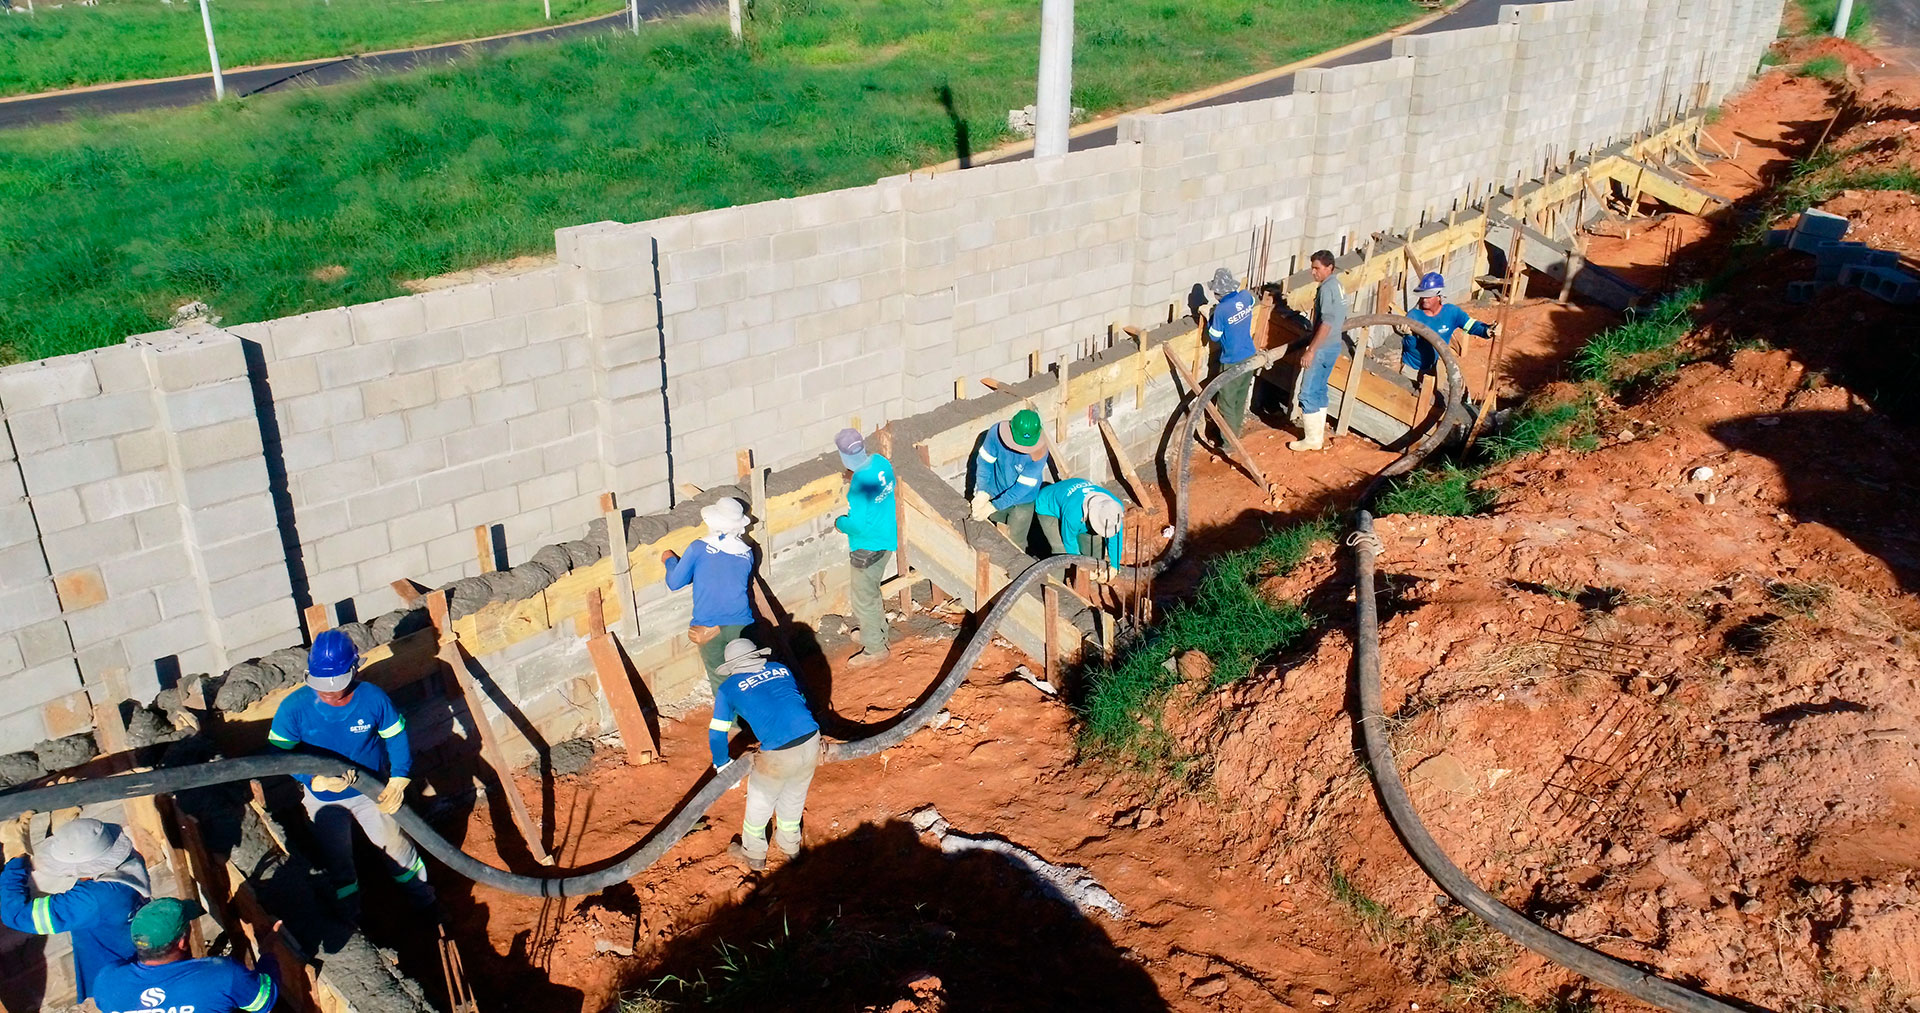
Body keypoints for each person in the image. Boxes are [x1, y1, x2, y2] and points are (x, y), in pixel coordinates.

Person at [268, 629, 433, 918]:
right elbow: (280, 753)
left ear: (354, 670)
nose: (330, 693)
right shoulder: (294, 708)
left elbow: (395, 736)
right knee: (338, 860)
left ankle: (426, 902)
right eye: (322, 686)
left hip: (371, 791)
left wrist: (399, 779)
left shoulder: (372, 699)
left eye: (337, 685)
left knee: (396, 849)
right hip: (324, 798)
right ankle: (351, 918)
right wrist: (312, 780)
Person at [0, 816, 150, 1003]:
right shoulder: (129, 863)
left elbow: (16, 915)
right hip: (136, 969)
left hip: (114, 986)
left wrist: (14, 861)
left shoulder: (93, 900)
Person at [708, 638, 821, 872]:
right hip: (812, 739)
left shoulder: (728, 688)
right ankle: (791, 847)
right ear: (757, 655)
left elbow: (717, 733)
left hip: (778, 753)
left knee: (760, 800)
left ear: (732, 667)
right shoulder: (780, 668)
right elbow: (799, 700)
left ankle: (754, 853)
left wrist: (722, 764)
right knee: (795, 793)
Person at [91, 897, 277, 1013]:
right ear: (182, 942)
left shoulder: (106, 982)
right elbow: (263, 1003)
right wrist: (268, 952)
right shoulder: (222, 975)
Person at [662, 497, 757, 690]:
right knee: (750, 679)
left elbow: (675, 582)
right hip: (740, 624)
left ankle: (731, 720)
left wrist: (670, 561)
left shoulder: (699, 548)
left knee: (721, 682)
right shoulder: (747, 552)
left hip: (707, 626)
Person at [833, 428, 896, 667]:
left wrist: (840, 523)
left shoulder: (859, 486)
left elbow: (856, 525)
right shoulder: (881, 462)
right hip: (887, 539)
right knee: (871, 593)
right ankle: (876, 634)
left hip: (867, 548)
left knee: (863, 600)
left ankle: (875, 649)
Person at [968, 409, 1049, 551]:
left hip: (1023, 500)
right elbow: (985, 463)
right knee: (990, 533)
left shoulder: (1039, 452)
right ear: (1011, 428)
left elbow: (1022, 488)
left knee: (1014, 543)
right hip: (995, 490)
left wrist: (994, 506)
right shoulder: (995, 434)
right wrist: (982, 490)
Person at [1291, 249, 1347, 453]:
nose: (1313, 272)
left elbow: (1327, 322)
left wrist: (1311, 350)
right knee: (1320, 390)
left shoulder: (1326, 289)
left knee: (1306, 393)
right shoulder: (1337, 286)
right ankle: (1317, 436)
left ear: (1329, 267)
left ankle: (1312, 440)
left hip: (1322, 347)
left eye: (1317, 268)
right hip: (1333, 345)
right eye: (1312, 268)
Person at [1402, 272, 1495, 379]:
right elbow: (1409, 348)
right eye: (1423, 295)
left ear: (1439, 296)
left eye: (1428, 296)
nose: (1424, 299)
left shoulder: (1451, 312)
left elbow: (1471, 325)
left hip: (1436, 366)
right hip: (1413, 368)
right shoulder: (1414, 316)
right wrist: (1409, 335)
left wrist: (1487, 330)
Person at [1205, 268, 1260, 435]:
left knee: (1226, 402)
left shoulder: (1221, 310)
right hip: (1250, 355)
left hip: (1232, 360)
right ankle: (1235, 432)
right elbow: (1252, 302)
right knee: (1240, 397)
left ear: (1218, 293)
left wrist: (1209, 317)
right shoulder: (1244, 296)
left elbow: (1214, 336)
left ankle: (1230, 442)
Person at [1034, 477, 1125, 572]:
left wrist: (1115, 565)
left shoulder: (1114, 508)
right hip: (1047, 506)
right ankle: (1059, 582)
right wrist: (1081, 569)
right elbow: (1069, 542)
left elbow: (1116, 537)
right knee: (1060, 550)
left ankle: (1094, 573)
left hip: (1073, 497)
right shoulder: (1073, 515)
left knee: (1094, 543)